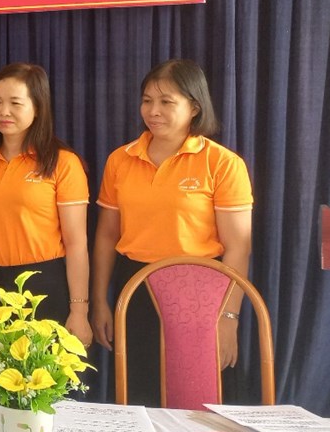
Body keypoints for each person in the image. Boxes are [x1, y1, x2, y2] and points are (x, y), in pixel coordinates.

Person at [90, 59, 253, 406]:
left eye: (166, 102)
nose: (153, 111)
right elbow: (105, 236)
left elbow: (238, 248)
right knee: (138, 395)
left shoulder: (222, 163)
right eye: (147, 100)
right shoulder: (120, 160)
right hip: (134, 286)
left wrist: (228, 318)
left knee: (198, 399)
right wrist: (99, 301)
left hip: (200, 291)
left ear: (194, 107)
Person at [0, 64, 91, 346]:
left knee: (44, 372)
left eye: (15, 103)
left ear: (37, 107)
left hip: (44, 288)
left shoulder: (63, 163)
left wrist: (79, 310)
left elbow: (76, 242)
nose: (4, 112)